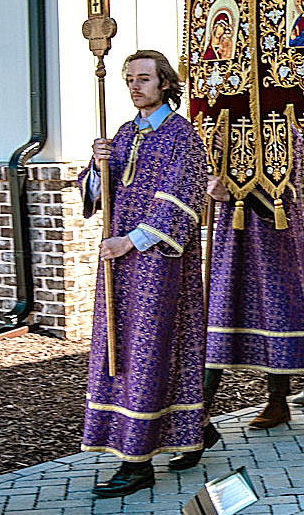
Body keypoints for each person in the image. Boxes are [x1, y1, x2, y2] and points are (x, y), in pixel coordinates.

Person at [78, 50, 208, 498]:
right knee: (120, 352)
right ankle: (189, 429)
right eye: (130, 79)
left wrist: (129, 241)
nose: (135, 86)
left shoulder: (183, 136)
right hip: (119, 267)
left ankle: (137, 465)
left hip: (158, 267)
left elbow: (182, 201)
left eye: (144, 79)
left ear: (166, 83)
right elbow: (99, 194)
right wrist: (98, 167)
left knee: (149, 353)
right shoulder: (123, 133)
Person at [200, 127, 304, 443]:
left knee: (276, 314)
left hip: (272, 235)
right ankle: (200, 409)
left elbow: (284, 190)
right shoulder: (221, 126)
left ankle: (278, 400)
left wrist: (236, 190)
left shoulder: (283, 128)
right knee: (221, 313)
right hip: (230, 232)